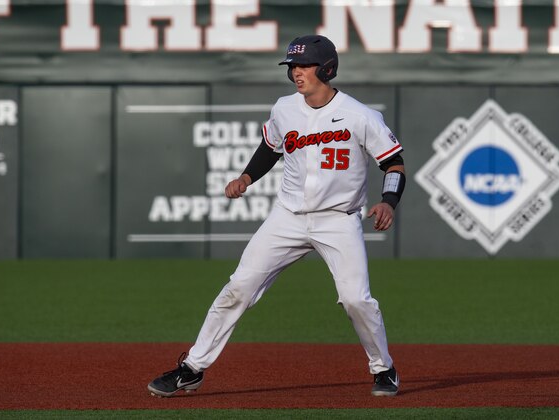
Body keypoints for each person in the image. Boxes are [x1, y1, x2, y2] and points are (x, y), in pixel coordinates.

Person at [147, 34, 405, 398]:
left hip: (339, 219)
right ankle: (192, 368)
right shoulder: (284, 109)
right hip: (288, 217)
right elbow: (270, 147)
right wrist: (246, 177)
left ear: (326, 68)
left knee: (356, 300)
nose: (297, 73)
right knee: (238, 287)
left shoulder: (361, 115)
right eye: (293, 67)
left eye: (304, 65)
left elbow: (393, 162)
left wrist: (389, 201)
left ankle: (384, 369)